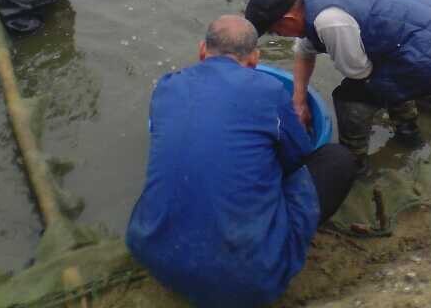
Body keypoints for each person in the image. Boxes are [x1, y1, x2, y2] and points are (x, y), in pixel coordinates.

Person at [126, 15, 357, 308]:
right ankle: (280, 246)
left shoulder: (167, 86)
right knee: (338, 159)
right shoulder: (268, 91)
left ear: (201, 51)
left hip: (150, 251)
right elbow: (298, 156)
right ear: (254, 60)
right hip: (249, 283)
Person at [244, 0, 431, 170]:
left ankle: (353, 160)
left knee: (350, 96)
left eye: (276, 31)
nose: (280, 36)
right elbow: (305, 50)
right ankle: (408, 133)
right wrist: (298, 101)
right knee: (385, 79)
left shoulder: (329, 21)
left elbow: (358, 73)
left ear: (287, 19)